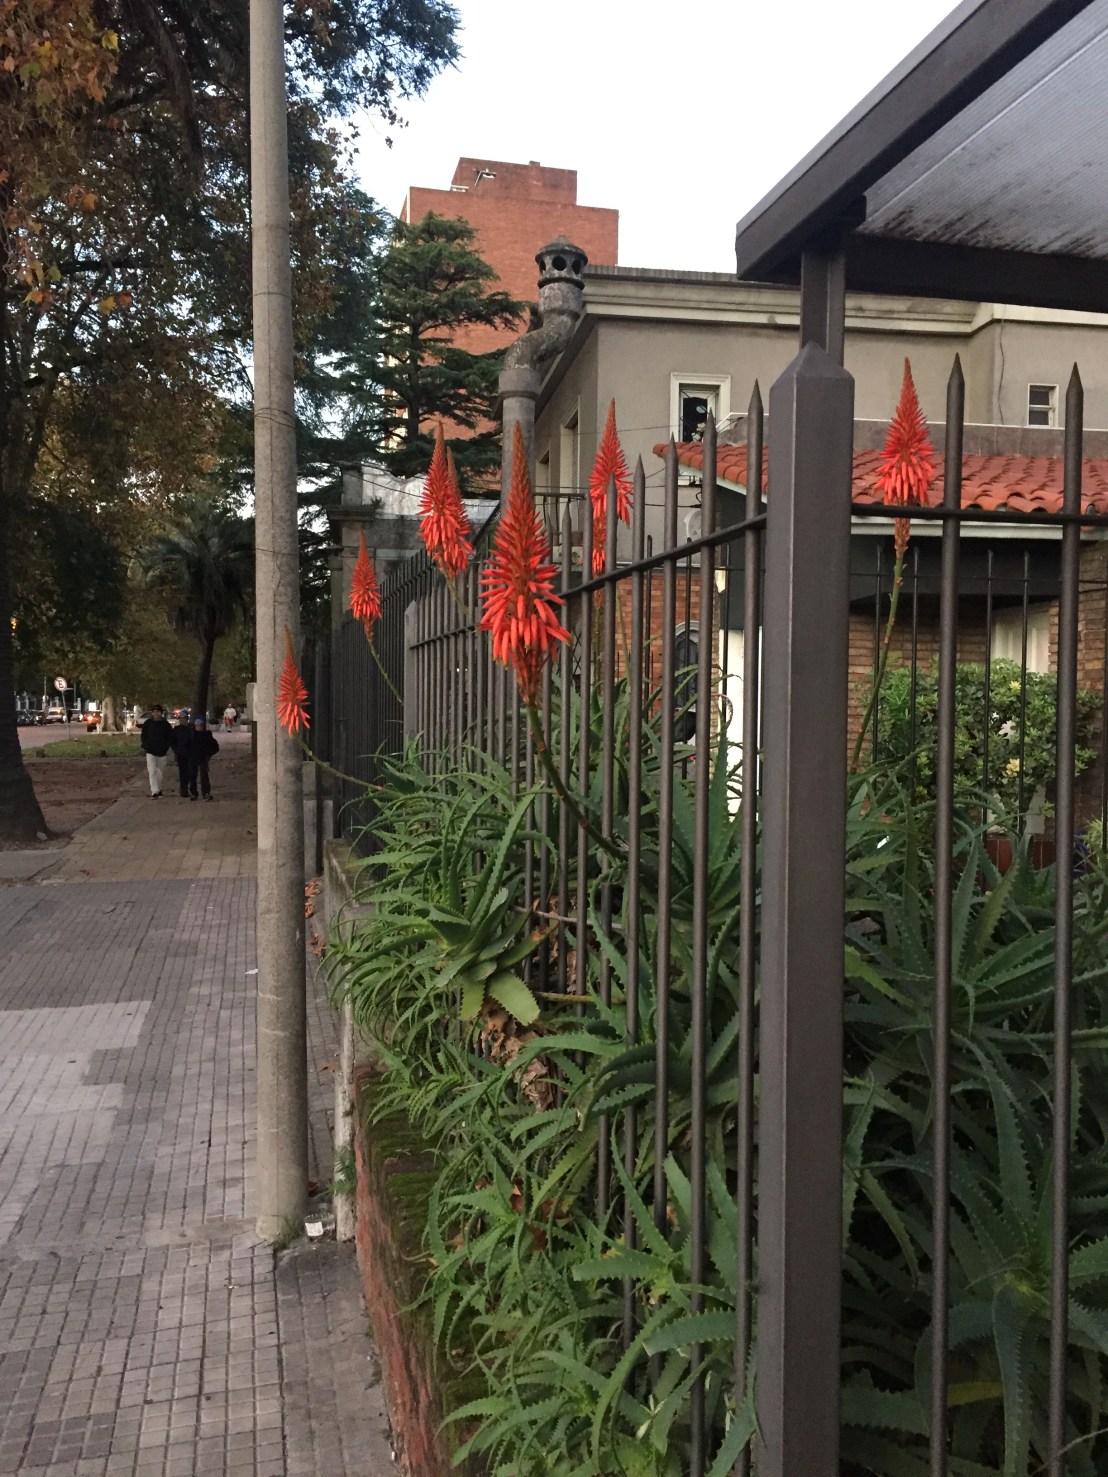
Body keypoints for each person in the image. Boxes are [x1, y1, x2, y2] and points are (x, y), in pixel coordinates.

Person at [139, 704, 173, 798]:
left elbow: (170, 737)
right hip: (150, 751)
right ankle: (154, 791)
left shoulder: (166, 724)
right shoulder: (148, 723)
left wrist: (166, 747)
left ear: (161, 713)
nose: (155, 714)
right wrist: (145, 745)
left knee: (160, 772)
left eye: (157, 712)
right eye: (154, 712)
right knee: (152, 770)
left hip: (162, 752)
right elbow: (143, 735)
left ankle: (159, 788)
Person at [185, 714, 220, 801]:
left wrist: (208, 754)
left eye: (200, 725)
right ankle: (194, 793)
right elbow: (186, 745)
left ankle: (206, 793)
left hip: (203, 758)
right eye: (197, 725)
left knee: (204, 776)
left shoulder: (207, 735)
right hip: (193, 758)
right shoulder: (191, 734)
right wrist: (188, 754)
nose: (198, 727)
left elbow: (215, 747)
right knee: (192, 776)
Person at [168, 710, 191, 798]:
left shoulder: (191, 728)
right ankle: (183, 789)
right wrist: (176, 751)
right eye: (180, 718)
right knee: (182, 772)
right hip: (180, 754)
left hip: (190, 754)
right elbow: (172, 742)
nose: (181, 720)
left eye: (183, 718)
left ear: (187, 719)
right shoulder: (176, 729)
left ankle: (188, 787)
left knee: (189, 772)